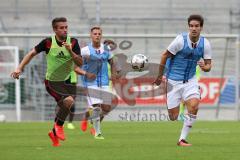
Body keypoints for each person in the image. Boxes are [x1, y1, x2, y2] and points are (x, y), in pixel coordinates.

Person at [11, 17, 82, 147]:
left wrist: (70, 51)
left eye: (66, 27)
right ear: (55, 29)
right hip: (52, 81)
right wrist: (19, 68)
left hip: (67, 81)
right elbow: (31, 53)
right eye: (61, 28)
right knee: (69, 101)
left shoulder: (73, 42)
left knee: (65, 106)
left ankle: (54, 132)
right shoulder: (48, 42)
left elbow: (80, 63)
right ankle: (59, 127)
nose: (65, 30)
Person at [153, 14, 212, 146]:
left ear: (201, 28)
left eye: (196, 26)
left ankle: (182, 139)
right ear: (188, 27)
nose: (193, 28)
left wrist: (205, 66)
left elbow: (208, 65)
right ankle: (180, 103)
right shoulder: (180, 40)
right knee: (173, 117)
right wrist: (159, 76)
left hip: (190, 81)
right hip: (173, 81)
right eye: (191, 26)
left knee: (194, 105)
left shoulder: (205, 44)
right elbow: (164, 55)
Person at [79, 26, 118, 139]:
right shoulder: (85, 50)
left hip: (104, 82)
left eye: (99, 34)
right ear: (91, 35)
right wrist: (85, 74)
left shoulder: (106, 49)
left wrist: (114, 74)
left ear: (101, 35)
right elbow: (76, 66)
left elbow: (112, 61)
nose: (97, 35)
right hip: (91, 82)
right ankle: (97, 132)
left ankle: (93, 122)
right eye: (95, 34)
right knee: (96, 107)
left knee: (106, 108)